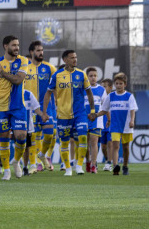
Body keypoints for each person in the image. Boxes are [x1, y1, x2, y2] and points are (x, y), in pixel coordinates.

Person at [42, 49, 95, 177]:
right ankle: (67, 168)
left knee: (82, 137)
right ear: (65, 60)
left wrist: (92, 110)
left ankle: (79, 166)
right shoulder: (57, 75)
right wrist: (44, 112)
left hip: (80, 114)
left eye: (75, 57)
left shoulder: (82, 74)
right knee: (64, 142)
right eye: (72, 58)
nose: (75, 60)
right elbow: (48, 93)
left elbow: (89, 93)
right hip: (63, 114)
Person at [0, 35, 31, 180]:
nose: (17, 48)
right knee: (4, 137)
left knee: (21, 136)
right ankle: (6, 170)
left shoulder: (23, 60)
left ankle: (16, 161)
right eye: (14, 45)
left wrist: (2, 73)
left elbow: (19, 80)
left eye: (18, 45)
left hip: (18, 106)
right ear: (5, 46)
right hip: (1, 106)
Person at [24, 40, 57, 173]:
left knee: (49, 134)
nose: (41, 52)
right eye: (38, 50)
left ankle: (42, 155)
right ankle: (33, 164)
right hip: (30, 108)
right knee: (32, 137)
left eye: (42, 50)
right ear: (32, 52)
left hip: (46, 107)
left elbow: (57, 84)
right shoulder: (25, 68)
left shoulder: (49, 67)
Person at [98, 72, 137, 175]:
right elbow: (104, 109)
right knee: (115, 146)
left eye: (121, 83)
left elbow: (133, 109)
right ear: (114, 84)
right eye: (117, 83)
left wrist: (132, 120)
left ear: (125, 84)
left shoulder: (129, 96)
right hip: (114, 126)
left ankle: (125, 166)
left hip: (126, 126)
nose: (119, 86)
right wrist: (95, 115)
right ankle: (115, 167)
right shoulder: (111, 96)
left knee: (126, 147)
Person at [84, 67, 107, 174]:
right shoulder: (83, 88)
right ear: (87, 77)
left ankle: (93, 165)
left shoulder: (102, 90)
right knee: (85, 143)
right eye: (91, 76)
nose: (93, 78)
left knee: (94, 141)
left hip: (97, 120)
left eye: (95, 76)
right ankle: (88, 161)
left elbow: (105, 106)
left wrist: (97, 115)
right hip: (84, 118)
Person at [99, 78, 114, 171]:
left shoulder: (114, 97)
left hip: (112, 124)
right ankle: (107, 160)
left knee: (110, 143)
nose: (103, 89)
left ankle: (109, 163)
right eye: (102, 87)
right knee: (103, 146)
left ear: (110, 88)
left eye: (105, 87)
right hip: (102, 123)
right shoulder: (100, 98)